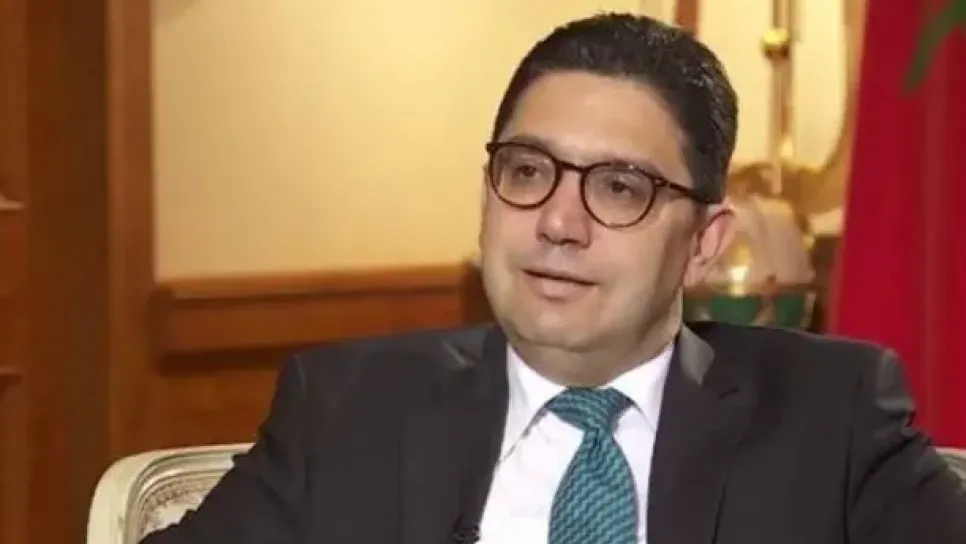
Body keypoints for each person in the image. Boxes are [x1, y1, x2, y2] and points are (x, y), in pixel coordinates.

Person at [140, 12, 966, 544]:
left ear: (703, 245)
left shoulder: (832, 418)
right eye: (529, 172)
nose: (559, 223)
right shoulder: (348, 411)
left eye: (619, 188)